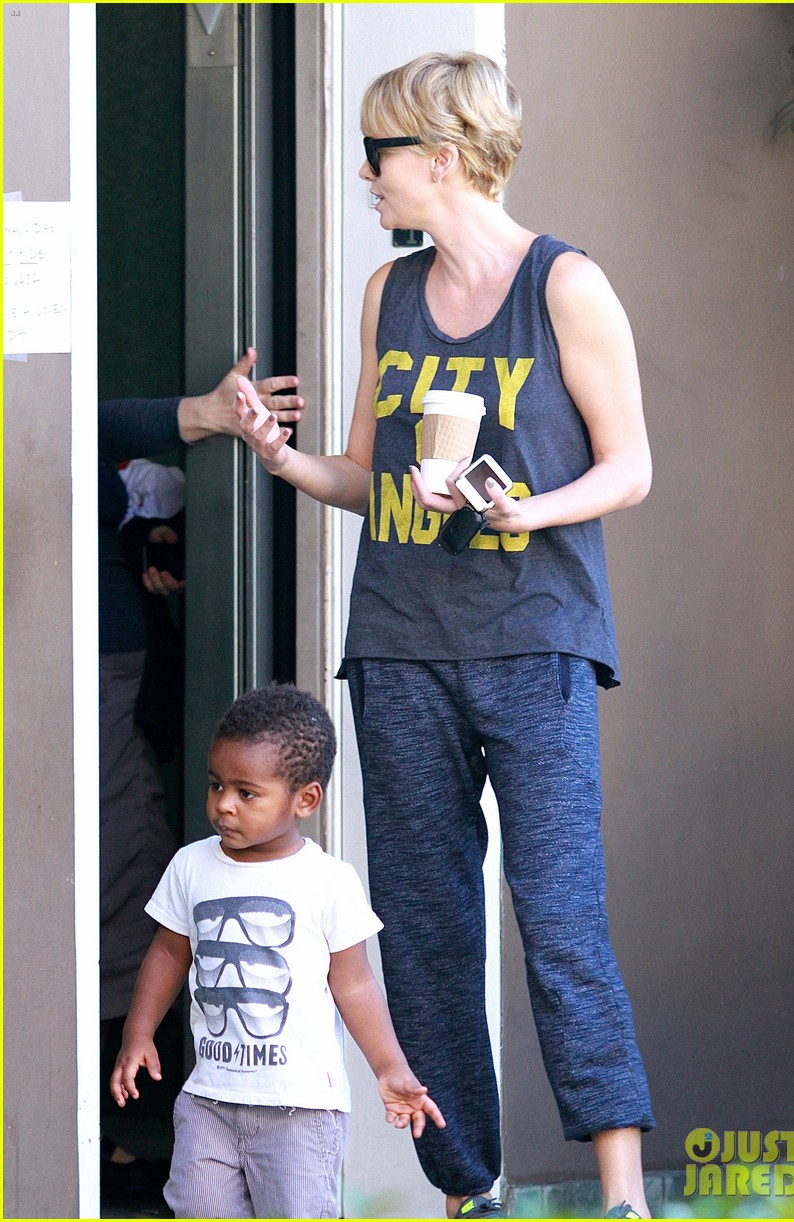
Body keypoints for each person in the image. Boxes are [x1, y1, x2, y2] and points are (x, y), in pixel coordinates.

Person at [234, 52, 655, 1221]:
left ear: (441, 157)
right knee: (422, 926)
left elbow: (629, 466)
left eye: (377, 153)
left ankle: (623, 1196)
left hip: (535, 639)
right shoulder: (390, 291)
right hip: (400, 642)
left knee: (558, 916)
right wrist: (278, 456)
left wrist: (529, 509)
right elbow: (367, 477)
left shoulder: (565, 285)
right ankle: (468, 1189)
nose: (364, 174)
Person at [110, 683, 445, 1219]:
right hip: (209, 1100)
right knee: (197, 1209)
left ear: (305, 800)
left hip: (300, 1110)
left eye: (247, 793)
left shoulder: (329, 881)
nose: (223, 804)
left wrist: (389, 1068)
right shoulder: (191, 865)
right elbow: (169, 953)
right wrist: (139, 1033)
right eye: (216, 785)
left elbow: (354, 983)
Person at [98, 350, 304, 1197]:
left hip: (95, 665)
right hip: (75, 663)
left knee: (121, 882)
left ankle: (110, 1128)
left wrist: (205, 419)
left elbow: (86, 432)